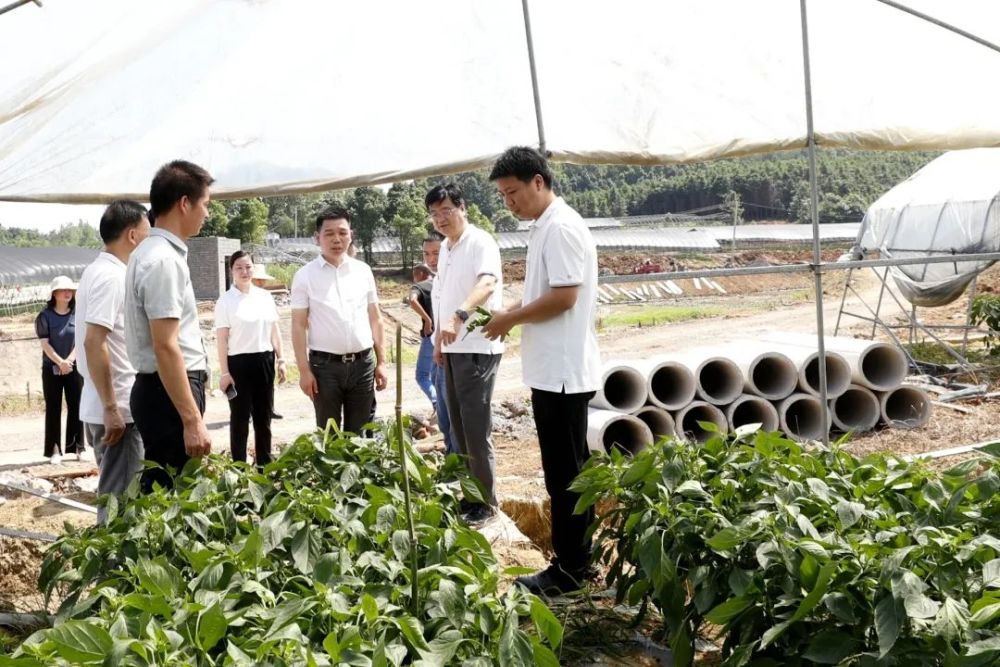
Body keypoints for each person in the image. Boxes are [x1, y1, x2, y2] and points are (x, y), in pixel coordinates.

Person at [483, 146, 601, 595]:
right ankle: (579, 562)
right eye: (503, 195)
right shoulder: (546, 226)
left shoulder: (562, 228)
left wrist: (510, 319)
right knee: (571, 471)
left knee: (566, 475)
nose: (509, 202)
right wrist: (509, 311)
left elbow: (565, 298)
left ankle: (570, 570)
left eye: (512, 192)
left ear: (538, 181)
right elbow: (545, 293)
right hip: (554, 369)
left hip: (564, 373)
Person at [125, 160, 214, 491]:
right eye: (205, 204)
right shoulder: (162, 260)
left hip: (161, 390)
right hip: (167, 393)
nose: (207, 213)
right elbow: (165, 345)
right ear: (184, 203)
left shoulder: (150, 252)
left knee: (165, 489)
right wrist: (192, 421)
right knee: (172, 496)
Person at [427, 183, 504, 523]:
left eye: (446, 211)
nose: (441, 219)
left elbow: (487, 284)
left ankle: (485, 503)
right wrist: (438, 344)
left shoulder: (479, 241)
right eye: (434, 214)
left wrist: (459, 316)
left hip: (475, 346)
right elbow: (441, 295)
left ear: (463, 208)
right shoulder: (446, 247)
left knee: (474, 428)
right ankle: (472, 498)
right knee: (457, 428)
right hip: (453, 347)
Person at [76, 200, 151, 522]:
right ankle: (112, 571)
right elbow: (94, 342)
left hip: (109, 403)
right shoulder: (112, 278)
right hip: (118, 408)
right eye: (148, 233)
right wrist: (112, 408)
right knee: (121, 506)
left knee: (121, 498)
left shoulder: (97, 271)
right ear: (133, 235)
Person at [291, 208, 387, 434]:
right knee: (328, 435)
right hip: (324, 369)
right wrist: (304, 371)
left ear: (351, 234)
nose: (337, 239)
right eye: (329, 233)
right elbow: (298, 326)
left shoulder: (363, 271)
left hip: (363, 365)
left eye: (342, 233)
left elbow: (376, 319)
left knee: (360, 434)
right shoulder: (304, 276)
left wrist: (381, 362)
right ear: (317, 237)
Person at [215, 251, 287, 467]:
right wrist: (225, 372)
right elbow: (222, 340)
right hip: (238, 364)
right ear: (231, 271)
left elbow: (275, 331)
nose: (244, 272)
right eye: (239, 267)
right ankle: (238, 467)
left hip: (264, 361)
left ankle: (264, 463)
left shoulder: (264, 297)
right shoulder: (225, 301)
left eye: (248, 267)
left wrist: (281, 359)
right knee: (239, 419)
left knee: (263, 418)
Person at [35, 276, 87, 465]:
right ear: (54, 294)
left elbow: (81, 339)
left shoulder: (78, 314)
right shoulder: (44, 316)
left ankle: (78, 447)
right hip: (51, 369)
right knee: (53, 407)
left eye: (70, 290)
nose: (68, 293)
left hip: (74, 367)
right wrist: (60, 362)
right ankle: (54, 450)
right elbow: (45, 344)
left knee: (77, 406)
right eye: (63, 290)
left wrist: (69, 361)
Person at [423, 234, 455, 454]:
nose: (431, 259)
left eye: (436, 253)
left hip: (451, 353)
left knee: (453, 418)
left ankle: (459, 466)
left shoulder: (453, 280)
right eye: (426, 254)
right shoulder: (436, 281)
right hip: (439, 352)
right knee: (444, 419)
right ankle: (452, 460)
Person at [251, 263, 284, 420]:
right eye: (259, 280)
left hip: (266, 348)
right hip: (247, 349)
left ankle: (269, 409)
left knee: (268, 382)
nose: (262, 283)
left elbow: (274, 326)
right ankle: (251, 410)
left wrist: (280, 355)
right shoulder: (237, 298)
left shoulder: (265, 298)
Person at [408, 263, 436, 411]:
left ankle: (437, 402)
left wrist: (427, 319)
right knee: (439, 374)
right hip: (448, 336)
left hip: (431, 336)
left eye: (414, 276)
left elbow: (412, 301)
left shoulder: (420, 286)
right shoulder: (442, 283)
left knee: (422, 375)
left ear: (419, 274)